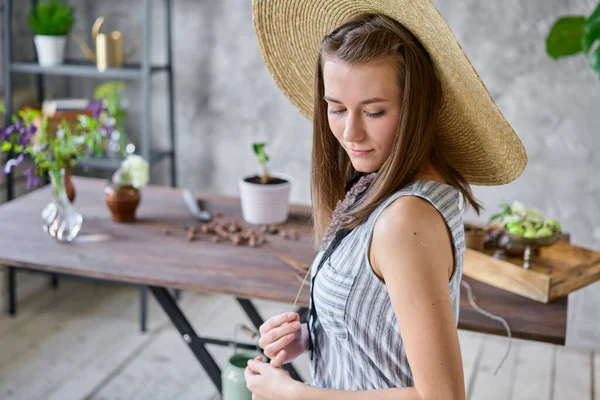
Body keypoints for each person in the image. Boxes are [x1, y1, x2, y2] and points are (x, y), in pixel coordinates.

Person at [245, 1, 527, 399]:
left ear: (414, 107)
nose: (350, 133)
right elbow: (383, 328)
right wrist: (316, 336)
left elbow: (442, 397)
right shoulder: (379, 184)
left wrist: (294, 394)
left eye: (374, 112)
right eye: (336, 108)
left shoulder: (405, 220)